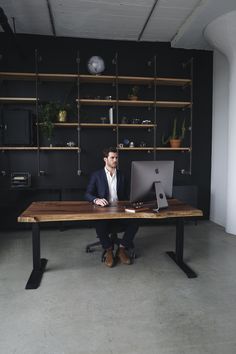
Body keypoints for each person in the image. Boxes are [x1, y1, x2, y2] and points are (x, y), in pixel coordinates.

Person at [85, 147, 139, 268]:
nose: (115, 160)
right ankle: (108, 249)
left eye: (116, 157)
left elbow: (126, 195)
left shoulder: (122, 175)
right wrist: (96, 200)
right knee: (99, 223)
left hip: (120, 210)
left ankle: (122, 249)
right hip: (103, 210)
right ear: (105, 159)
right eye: (112, 158)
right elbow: (87, 194)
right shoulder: (96, 175)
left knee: (135, 221)